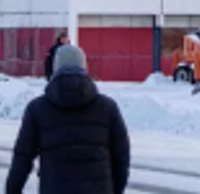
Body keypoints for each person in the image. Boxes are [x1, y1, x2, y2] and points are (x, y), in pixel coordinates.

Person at [7, 45, 131, 194]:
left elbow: (22, 157)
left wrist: (13, 190)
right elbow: (121, 158)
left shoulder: (38, 109)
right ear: (85, 67)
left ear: (54, 69)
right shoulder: (107, 108)